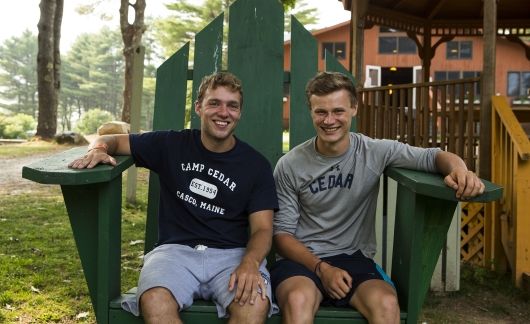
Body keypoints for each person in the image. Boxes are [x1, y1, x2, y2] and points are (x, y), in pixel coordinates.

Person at [270, 71, 485, 324]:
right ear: (311, 112)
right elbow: (282, 235)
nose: (329, 120)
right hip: (303, 261)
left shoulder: (373, 152)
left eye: (338, 111)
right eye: (321, 112)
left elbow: (433, 156)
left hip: (353, 257)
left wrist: (459, 170)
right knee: (298, 300)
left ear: (354, 108)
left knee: (386, 304)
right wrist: (322, 268)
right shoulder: (291, 165)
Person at [69, 72, 278, 324]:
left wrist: (251, 262)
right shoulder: (171, 144)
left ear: (239, 113)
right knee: (154, 300)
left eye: (232, 106)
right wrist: (98, 150)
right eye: (215, 103)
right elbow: (108, 140)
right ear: (199, 107)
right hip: (174, 253)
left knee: (254, 305)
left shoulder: (255, 165)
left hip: (231, 256)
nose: (224, 112)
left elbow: (263, 228)